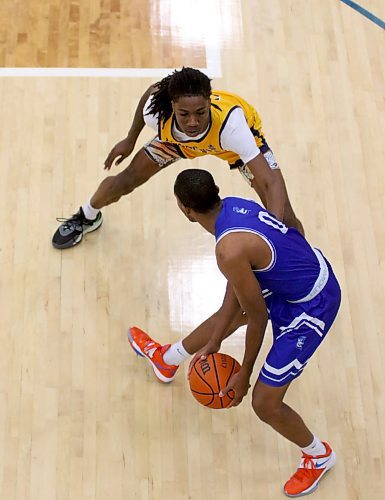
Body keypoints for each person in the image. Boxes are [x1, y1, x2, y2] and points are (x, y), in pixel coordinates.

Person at [127, 169, 341, 498]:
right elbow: (238, 279)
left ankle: (318, 455)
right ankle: (166, 360)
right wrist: (216, 338)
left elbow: (257, 318)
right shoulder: (233, 208)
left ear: (184, 209)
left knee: (264, 403)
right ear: (215, 192)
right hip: (299, 273)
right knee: (227, 317)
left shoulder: (227, 249)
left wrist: (243, 376)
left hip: (313, 305)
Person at [52, 67, 303, 249]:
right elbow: (152, 91)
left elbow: (271, 183)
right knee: (125, 180)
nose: (193, 122)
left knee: (286, 216)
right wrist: (130, 139)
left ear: (208, 103)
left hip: (231, 148)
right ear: (172, 106)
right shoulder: (157, 115)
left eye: (200, 112)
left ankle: (304, 266)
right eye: (184, 114)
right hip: (177, 144)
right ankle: (87, 215)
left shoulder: (233, 127)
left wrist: (273, 233)